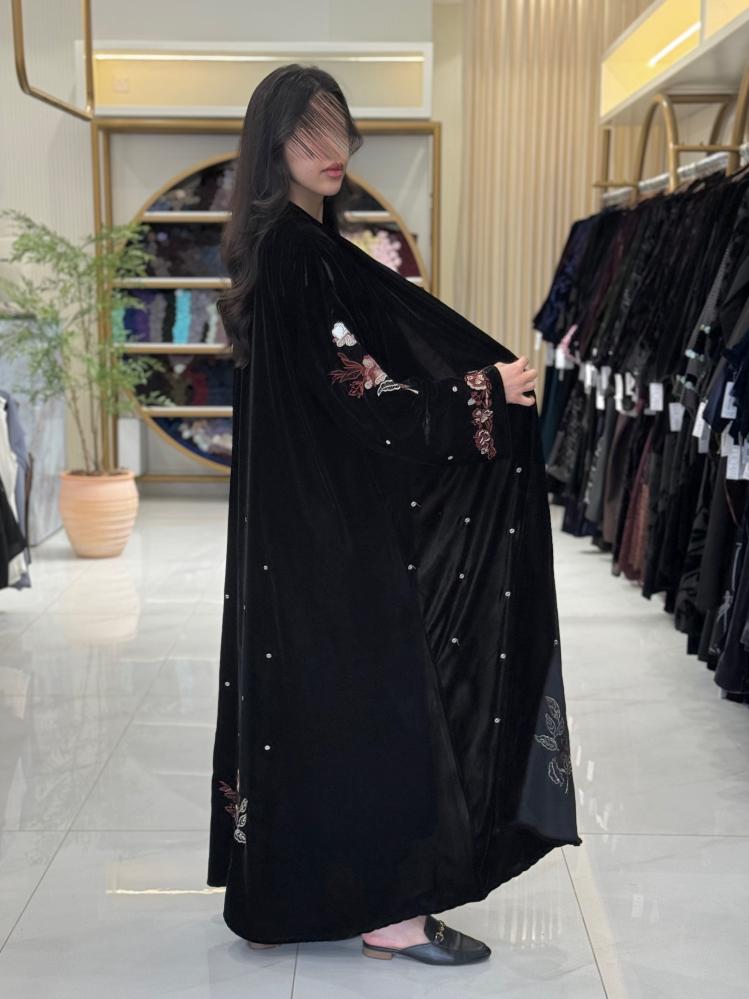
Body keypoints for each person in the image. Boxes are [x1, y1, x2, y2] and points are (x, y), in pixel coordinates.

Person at [207, 63, 581, 966]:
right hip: (331, 531)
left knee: (323, 704)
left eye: (337, 128)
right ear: (272, 146)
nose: (329, 149)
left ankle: (305, 889)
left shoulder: (287, 245)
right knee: (375, 702)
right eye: (306, 133)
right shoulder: (300, 255)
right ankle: (390, 911)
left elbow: (344, 384)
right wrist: (481, 392)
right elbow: (364, 394)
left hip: (307, 525)